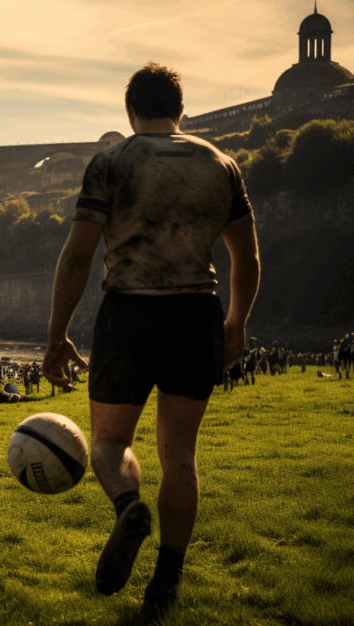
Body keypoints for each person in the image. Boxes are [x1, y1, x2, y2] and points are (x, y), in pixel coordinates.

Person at [41, 63, 260, 614]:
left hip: (130, 311)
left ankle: (128, 507)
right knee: (180, 454)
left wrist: (57, 335)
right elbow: (247, 257)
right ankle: (167, 579)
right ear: (181, 110)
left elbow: (78, 255)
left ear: (130, 110)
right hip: (196, 314)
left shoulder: (111, 163)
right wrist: (236, 323)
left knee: (110, 443)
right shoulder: (222, 164)